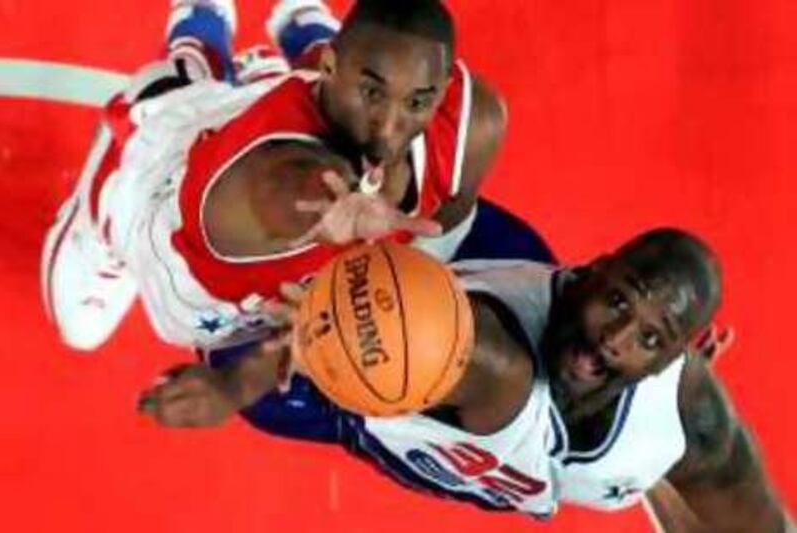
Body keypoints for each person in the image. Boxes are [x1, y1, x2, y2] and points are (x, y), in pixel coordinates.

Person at [140, 228, 792, 531]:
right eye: (618, 301)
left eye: (650, 337)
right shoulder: (487, 355)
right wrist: (238, 384)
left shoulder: (684, 425)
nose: (614, 336)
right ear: (593, 270)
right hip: (350, 401)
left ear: (671, 359)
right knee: (199, 290)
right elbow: (319, 339)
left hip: (554, 442)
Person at [42, 0, 529, 354]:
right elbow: (303, 187)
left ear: (442, 91)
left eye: (418, 102)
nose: (389, 127)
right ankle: (201, 26)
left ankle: (302, 32)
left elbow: (450, 217)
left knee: (342, 93)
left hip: (291, 113)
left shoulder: (473, 122)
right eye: (373, 94)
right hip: (155, 187)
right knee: (80, 330)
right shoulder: (287, 190)